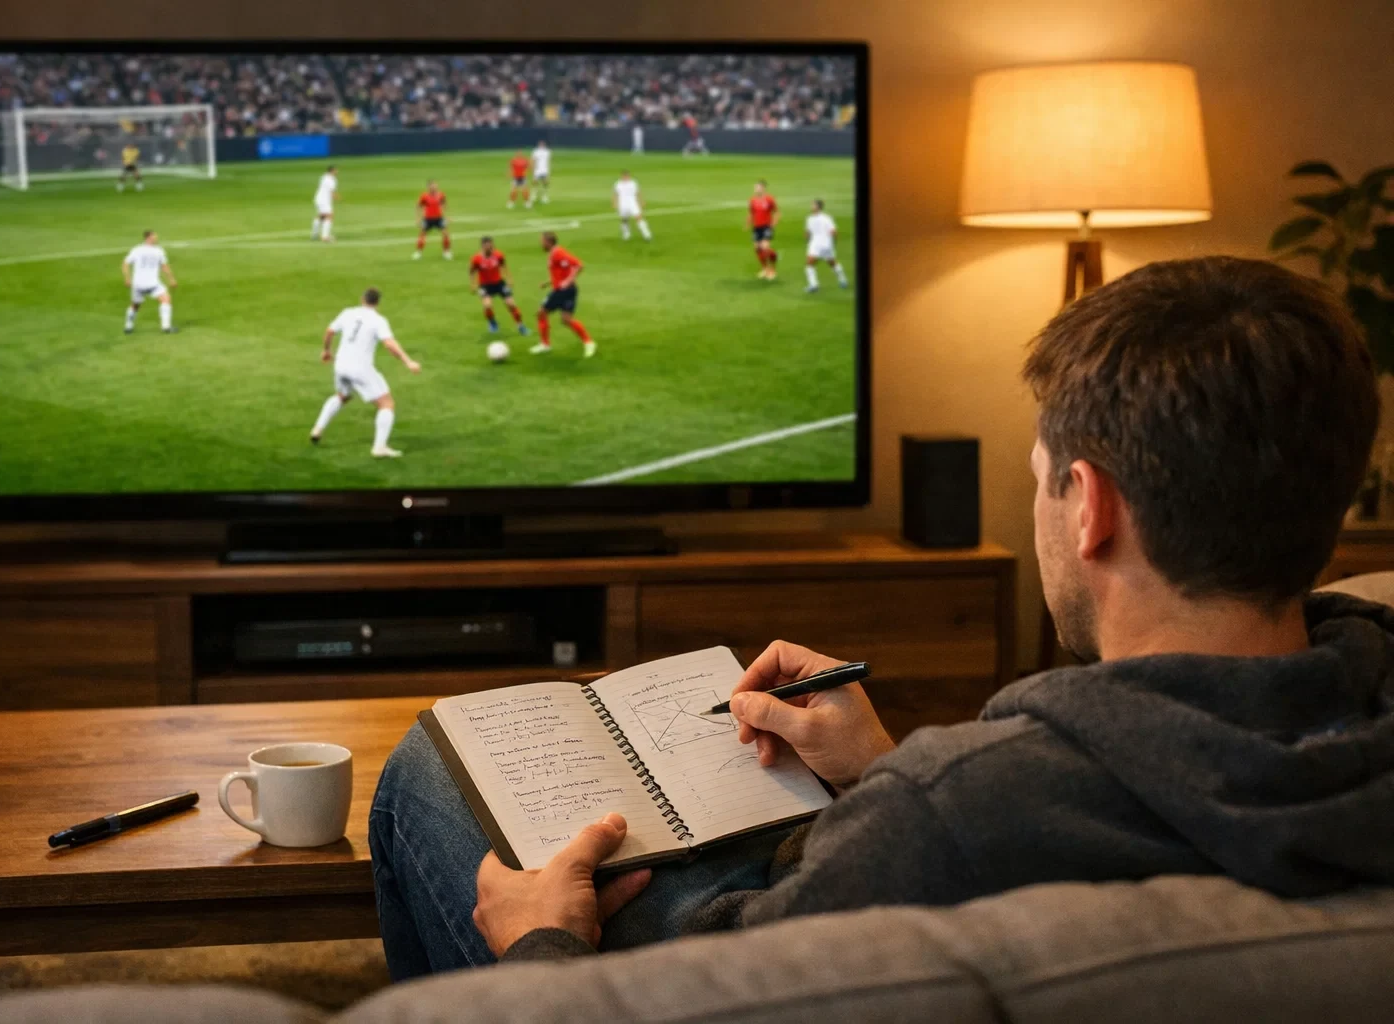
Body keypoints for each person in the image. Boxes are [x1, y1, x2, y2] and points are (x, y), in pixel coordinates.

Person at [369, 256, 1394, 978]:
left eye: (1041, 482)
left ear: (1094, 508)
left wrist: (540, 949)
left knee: (430, 762)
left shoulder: (951, 811)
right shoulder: (1370, 687)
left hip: (713, 967)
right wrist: (883, 766)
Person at [309, 287, 421, 457]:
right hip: (360, 368)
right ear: (378, 303)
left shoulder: (348, 312)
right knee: (386, 404)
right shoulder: (378, 320)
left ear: (362, 299)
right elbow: (389, 344)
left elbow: (330, 331)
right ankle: (379, 447)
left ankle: (317, 429)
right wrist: (408, 361)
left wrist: (326, 351)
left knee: (342, 396)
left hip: (340, 365)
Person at [529, 231, 594, 358]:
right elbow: (563, 271)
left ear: (548, 242)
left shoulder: (558, 253)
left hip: (562, 291)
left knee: (541, 313)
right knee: (566, 320)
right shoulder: (554, 253)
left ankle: (545, 345)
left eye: (542, 241)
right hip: (568, 290)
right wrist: (548, 283)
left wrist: (568, 281)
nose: (540, 244)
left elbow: (578, 265)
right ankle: (588, 342)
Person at [469, 236, 529, 336]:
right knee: (487, 306)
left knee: (511, 304)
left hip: (499, 283)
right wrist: (473, 284)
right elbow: (471, 271)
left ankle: (521, 326)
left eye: (491, 246)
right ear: (482, 246)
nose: (490, 248)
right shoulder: (477, 258)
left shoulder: (498, 255)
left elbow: (504, 265)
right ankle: (492, 323)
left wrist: (509, 278)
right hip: (485, 286)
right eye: (487, 246)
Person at [121, 229, 176, 334]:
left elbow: (125, 263)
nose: (156, 238)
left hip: (138, 284)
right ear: (149, 237)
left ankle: (128, 326)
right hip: (152, 283)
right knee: (166, 299)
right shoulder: (158, 251)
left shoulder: (136, 249)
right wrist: (171, 279)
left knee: (135, 305)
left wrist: (127, 278)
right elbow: (164, 267)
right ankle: (166, 327)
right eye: (154, 236)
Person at [802, 199, 848, 293]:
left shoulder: (826, 218)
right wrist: (807, 239)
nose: (812, 206)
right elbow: (807, 233)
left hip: (824, 244)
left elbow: (834, 231)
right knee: (810, 264)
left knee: (831, 263)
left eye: (813, 205)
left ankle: (842, 279)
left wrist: (833, 242)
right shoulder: (809, 218)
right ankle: (814, 285)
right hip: (815, 244)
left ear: (818, 207)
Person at [413, 180, 452, 260]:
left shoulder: (441, 195)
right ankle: (418, 253)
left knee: (446, 234)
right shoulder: (424, 196)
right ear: (428, 187)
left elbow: (444, 204)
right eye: (432, 186)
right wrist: (418, 219)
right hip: (428, 219)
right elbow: (418, 206)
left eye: (435, 185)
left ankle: (446, 252)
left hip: (439, 218)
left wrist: (447, 217)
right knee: (422, 234)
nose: (434, 187)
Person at [748, 180, 779, 281]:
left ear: (763, 188)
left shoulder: (769, 199)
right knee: (757, 248)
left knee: (765, 248)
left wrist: (773, 224)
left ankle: (772, 270)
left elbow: (776, 212)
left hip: (766, 226)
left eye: (757, 187)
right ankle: (765, 268)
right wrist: (749, 222)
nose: (756, 189)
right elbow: (751, 212)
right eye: (755, 187)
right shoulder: (752, 200)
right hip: (756, 227)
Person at [613, 171, 652, 241]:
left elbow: (638, 192)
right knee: (624, 219)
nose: (626, 177)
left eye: (627, 176)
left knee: (639, 217)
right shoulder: (618, 184)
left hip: (633, 203)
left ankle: (647, 234)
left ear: (629, 176)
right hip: (623, 204)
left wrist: (641, 201)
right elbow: (615, 194)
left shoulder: (633, 183)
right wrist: (615, 203)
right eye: (624, 176)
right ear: (622, 176)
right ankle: (626, 234)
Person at [311, 165, 338, 242]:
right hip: (324, 200)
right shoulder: (331, 180)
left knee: (321, 216)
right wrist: (336, 197)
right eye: (336, 170)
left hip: (318, 199)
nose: (337, 172)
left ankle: (314, 235)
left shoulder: (323, 177)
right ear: (332, 171)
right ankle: (325, 237)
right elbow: (331, 192)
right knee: (329, 216)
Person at [530, 140, 552, 205]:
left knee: (545, 182)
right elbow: (533, 160)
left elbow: (548, 161)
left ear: (544, 145)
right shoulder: (535, 152)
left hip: (545, 169)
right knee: (535, 182)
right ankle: (534, 194)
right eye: (540, 144)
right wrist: (533, 168)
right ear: (539, 145)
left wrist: (549, 170)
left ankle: (544, 196)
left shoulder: (547, 152)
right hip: (537, 169)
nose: (541, 145)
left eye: (542, 144)